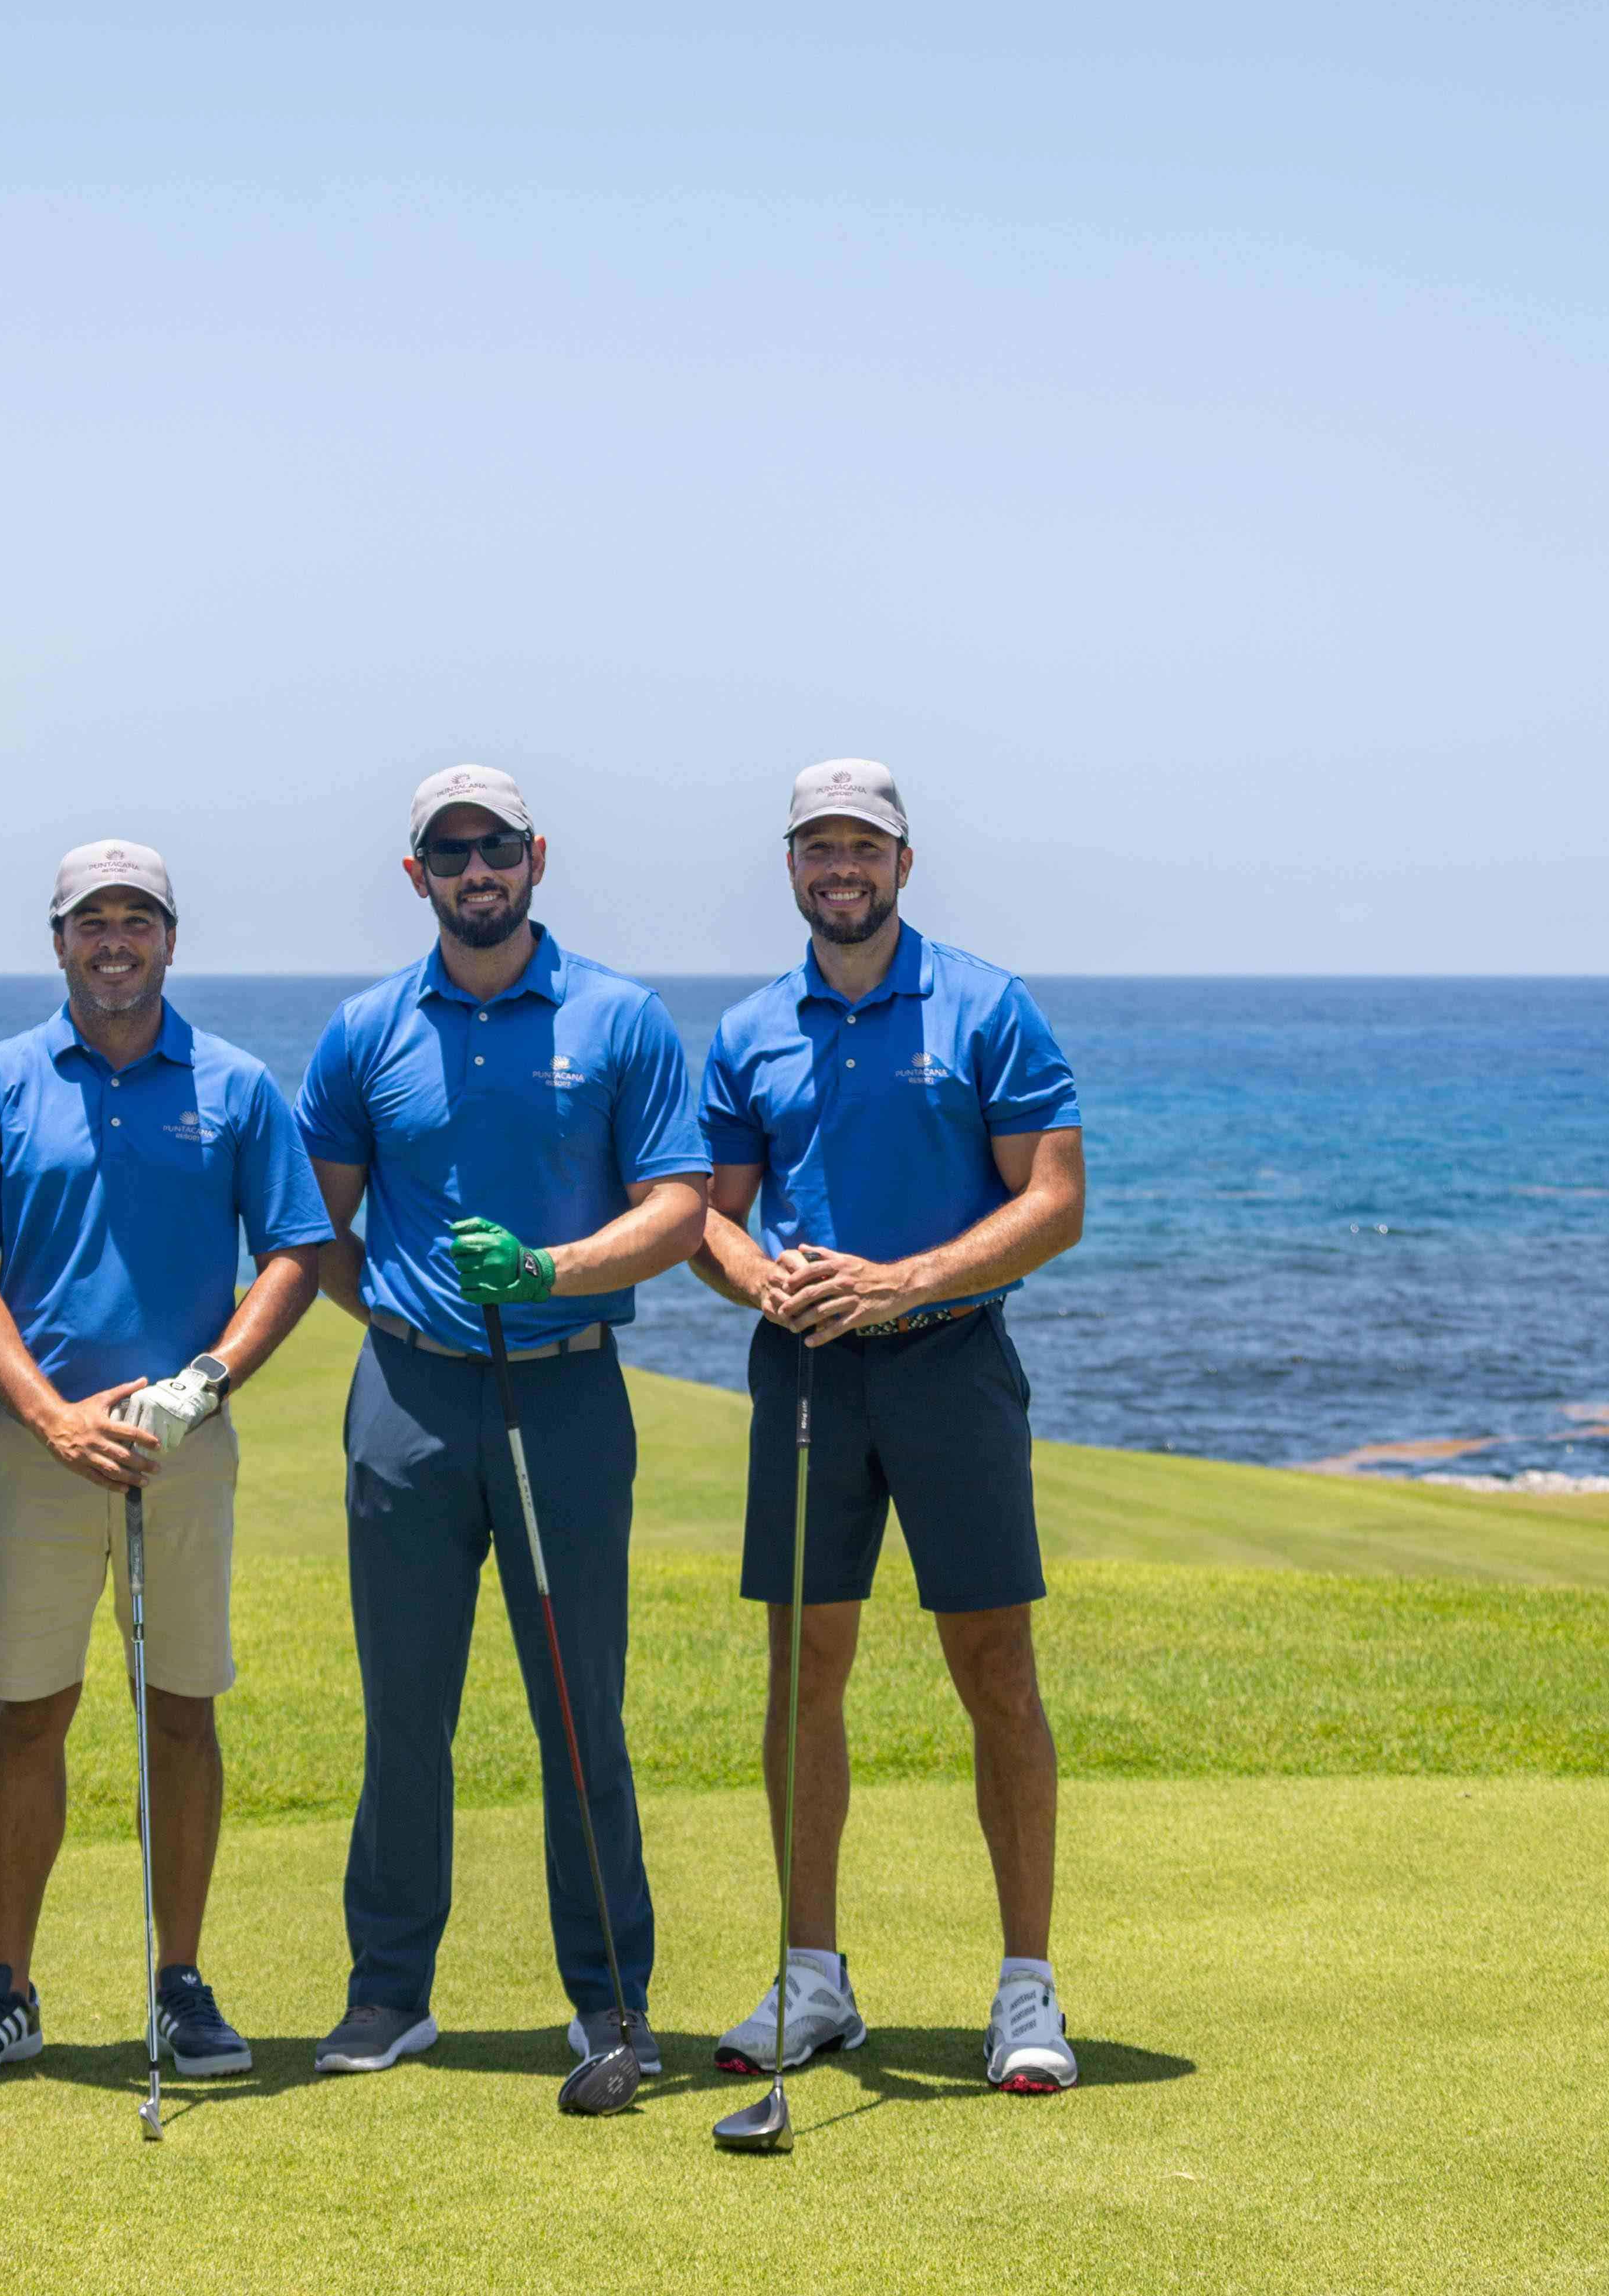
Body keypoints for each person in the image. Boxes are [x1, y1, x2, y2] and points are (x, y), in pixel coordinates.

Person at [293, 765, 711, 2081]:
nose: (476, 870)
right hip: (408, 1397)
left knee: (580, 1709)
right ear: (416, 873)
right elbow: (315, 1227)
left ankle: (609, 1998)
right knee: (403, 1710)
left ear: (537, 856)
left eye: (497, 847)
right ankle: (388, 1993)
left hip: (566, 1388)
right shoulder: (365, 1031)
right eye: (450, 851)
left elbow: (679, 1208)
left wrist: (547, 1270)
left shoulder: (620, 1017)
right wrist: (403, 1311)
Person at [689, 760, 1089, 2092]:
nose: (841, 868)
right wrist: (766, 1281)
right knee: (803, 1670)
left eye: (864, 846)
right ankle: (812, 1977)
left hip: (951, 1362)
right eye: (819, 848)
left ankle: (1026, 1987)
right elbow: (711, 1215)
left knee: (996, 1667)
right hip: (807, 1373)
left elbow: (1054, 1201)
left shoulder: (986, 1005)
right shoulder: (751, 1029)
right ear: (792, 868)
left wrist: (902, 1281)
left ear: (903, 864)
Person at [0, 841, 334, 2085]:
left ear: (170, 937)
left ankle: (179, 1983)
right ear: (58, 942)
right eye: (90, 921)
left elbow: (295, 1251)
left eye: (135, 920)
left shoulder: (236, 1084)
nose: (114, 942)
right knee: (29, 1710)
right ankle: (7, 1987)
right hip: (39, 1443)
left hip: (182, 1447)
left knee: (182, 1709)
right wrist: (48, 1414)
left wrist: (204, 1383)